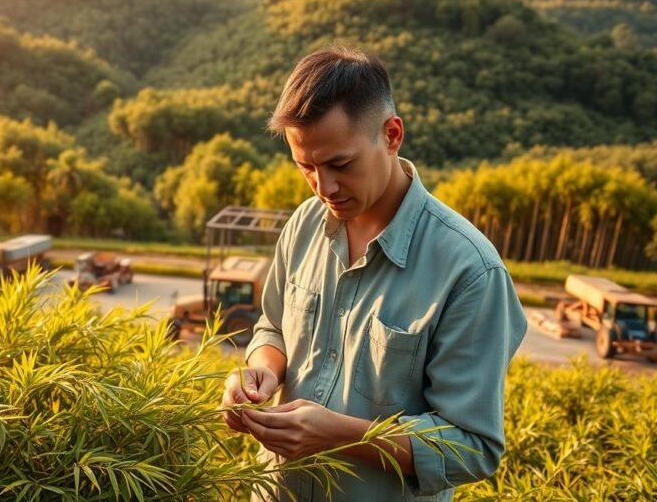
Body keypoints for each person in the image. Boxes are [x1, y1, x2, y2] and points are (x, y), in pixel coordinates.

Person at [222, 46, 527, 501]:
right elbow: (273, 326)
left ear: (392, 134)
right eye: (306, 167)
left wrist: (340, 435)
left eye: (340, 165)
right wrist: (260, 372)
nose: (324, 187)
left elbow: (473, 447)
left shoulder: (469, 271)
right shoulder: (304, 224)